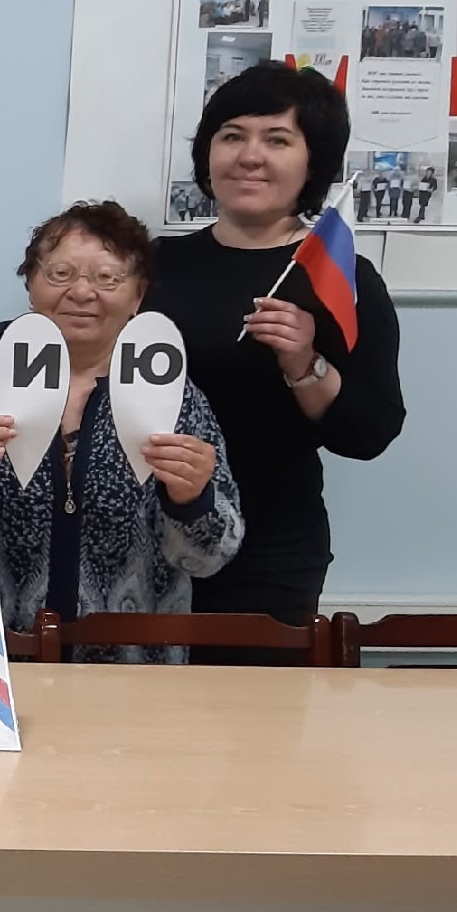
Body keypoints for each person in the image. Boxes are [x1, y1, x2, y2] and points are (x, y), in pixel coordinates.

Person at [0, 202, 241, 660]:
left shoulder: (166, 384)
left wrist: (192, 501)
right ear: (31, 283)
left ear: (138, 294)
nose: (82, 292)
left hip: (135, 671)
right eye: (60, 273)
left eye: (107, 278)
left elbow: (213, 555)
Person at [149, 64, 404, 624]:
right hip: (136, 542)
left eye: (277, 140)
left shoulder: (341, 277)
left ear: (314, 160)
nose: (250, 156)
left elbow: (370, 433)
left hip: (267, 553)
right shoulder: (150, 264)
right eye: (232, 136)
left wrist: (304, 363)